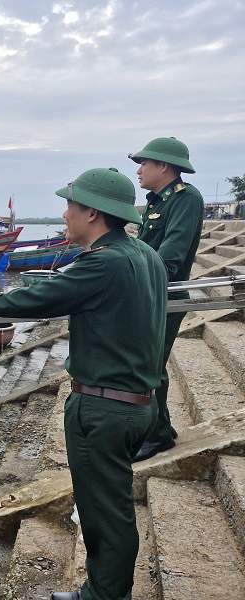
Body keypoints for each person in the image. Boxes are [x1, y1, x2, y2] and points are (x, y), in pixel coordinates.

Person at [0, 167, 167, 600]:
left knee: (104, 513)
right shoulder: (144, 254)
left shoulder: (103, 263)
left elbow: (41, 297)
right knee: (106, 507)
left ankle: (105, 596)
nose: (64, 214)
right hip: (135, 402)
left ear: (92, 213)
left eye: (70, 206)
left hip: (104, 408)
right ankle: (102, 589)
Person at [128, 137, 205, 462]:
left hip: (165, 296)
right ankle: (162, 428)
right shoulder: (157, 202)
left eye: (144, 164)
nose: (139, 170)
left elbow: (170, 258)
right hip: (151, 294)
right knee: (151, 364)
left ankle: (158, 435)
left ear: (164, 166)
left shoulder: (185, 199)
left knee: (149, 367)